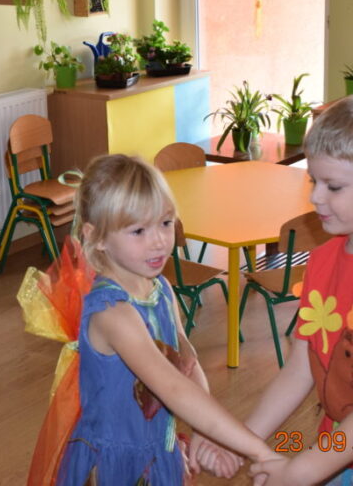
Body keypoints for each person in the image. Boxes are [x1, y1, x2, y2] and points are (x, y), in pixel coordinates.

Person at [50, 154, 279, 485]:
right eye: (138, 230)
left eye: (166, 223)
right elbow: (171, 387)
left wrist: (204, 431)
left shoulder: (162, 289)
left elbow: (186, 363)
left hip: (157, 450)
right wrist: (259, 451)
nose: (158, 240)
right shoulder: (112, 313)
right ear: (96, 236)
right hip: (115, 466)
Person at [193, 95, 353, 485]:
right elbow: (301, 367)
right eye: (314, 180)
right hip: (337, 447)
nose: (315, 197)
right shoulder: (322, 263)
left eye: (333, 186)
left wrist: (303, 470)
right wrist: (241, 441)